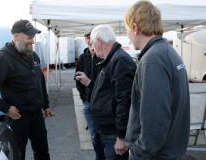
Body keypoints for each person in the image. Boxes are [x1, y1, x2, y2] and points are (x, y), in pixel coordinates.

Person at [124, 1, 190, 160]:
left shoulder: (153, 60)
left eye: (127, 30)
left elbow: (155, 121)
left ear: (135, 27)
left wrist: (137, 153)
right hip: (167, 151)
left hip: (154, 155)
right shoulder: (166, 51)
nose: (128, 35)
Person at [0, 19, 53, 160]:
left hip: (36, 115)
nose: (32, 41)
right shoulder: (3, 59)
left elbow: (40, 81)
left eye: (33, 37)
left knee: (43, 152)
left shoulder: (32, 55)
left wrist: (46, 105)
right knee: (17, 155)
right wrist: (6, 108)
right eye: (29, 37)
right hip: (18, 117)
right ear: (16, 37)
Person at [76, 24, 136, 160]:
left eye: (92, 43)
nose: (92, 47)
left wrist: (121, 136)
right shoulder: (111, 59)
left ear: (99, 41)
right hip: (108, 131)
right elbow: (109, 91)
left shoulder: (119, 59)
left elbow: (125, 100)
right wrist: (89, 83)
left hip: (114, 134)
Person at [75, 28, 105, 160]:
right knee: (94, 135)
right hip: (88, 103)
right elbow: (77, 79)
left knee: (104, 134)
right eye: (86, 38)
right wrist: (83, 97)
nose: (88, 40)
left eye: (90, 37)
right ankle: (99, 157)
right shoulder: (82, 57)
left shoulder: (102, 55)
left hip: (102, 103)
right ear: (85, 40)